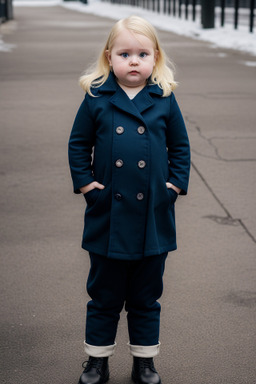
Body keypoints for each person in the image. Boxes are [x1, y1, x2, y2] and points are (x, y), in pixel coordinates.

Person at [68, 15, 190, 384]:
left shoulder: (164, 98)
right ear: (109, 58)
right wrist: (87, 185)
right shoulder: (97, 97)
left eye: (142, 53)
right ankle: (96, 360)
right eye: (124, 54)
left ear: (155, 58)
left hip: (153, 215)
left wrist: (173, 187)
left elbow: (180, 147)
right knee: (103, 295)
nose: (133, 61)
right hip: (109, 214)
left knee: (146, 296)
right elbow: (78, 144)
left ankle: (144, 361)